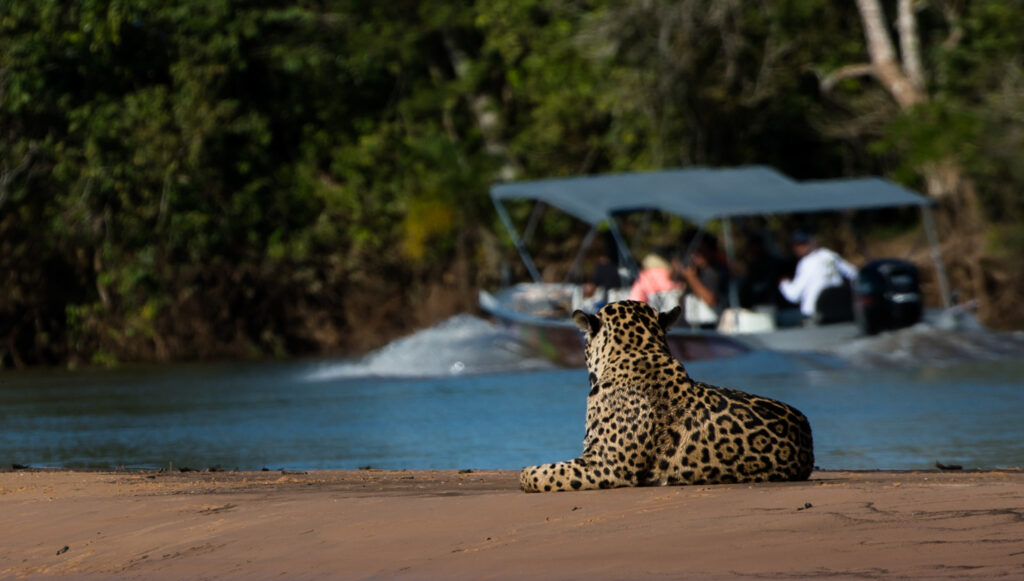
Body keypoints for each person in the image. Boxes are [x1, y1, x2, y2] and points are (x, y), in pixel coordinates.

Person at [778, 231, 857, 321]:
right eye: (796, 245)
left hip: (816, 315)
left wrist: (784, 284)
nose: (799, 248)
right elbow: (854, 274)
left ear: (812, 242)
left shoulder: (806, 263)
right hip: (842, 311)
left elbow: (794, 295)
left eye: (803, 243)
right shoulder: (830, 255)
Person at [673, 236, 730, 328]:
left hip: (704, 328)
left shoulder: (714, 272)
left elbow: (710, 300)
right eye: (693, 251)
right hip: (685, 326)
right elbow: (672, 278)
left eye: (701, 251)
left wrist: (692, 278)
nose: (695, 255)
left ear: (711, 251)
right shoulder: (696, 269)